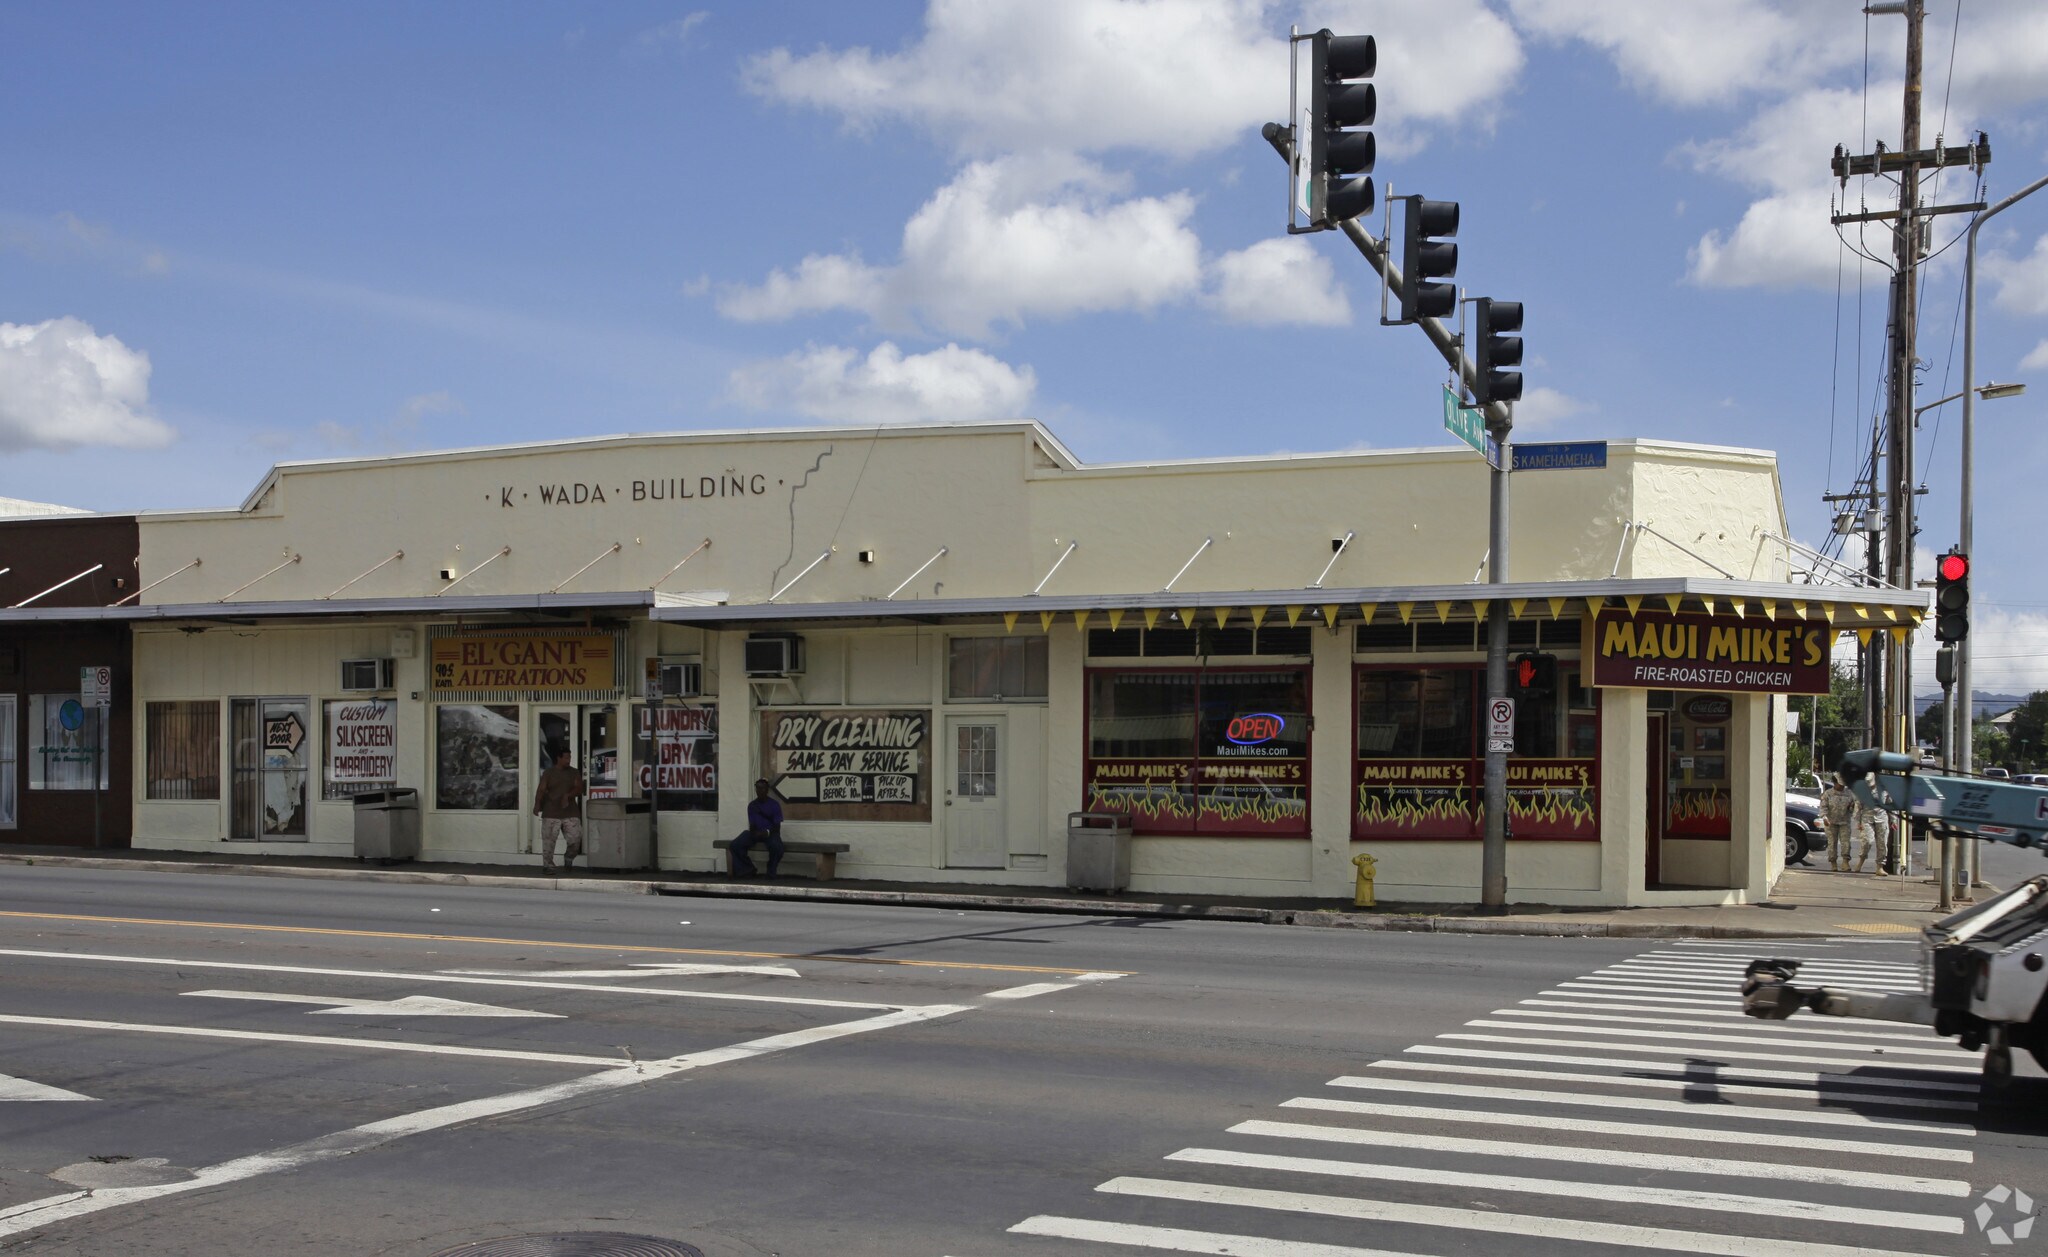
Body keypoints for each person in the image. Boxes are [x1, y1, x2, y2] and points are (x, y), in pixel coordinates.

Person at [532, 748, 586, 873]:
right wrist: (537, 804)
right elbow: (541, 789)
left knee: (575, 839)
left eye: (570, 757)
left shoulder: (574, 772)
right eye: (566, 757)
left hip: (570, 811)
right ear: (559, 758)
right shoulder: (549, 773)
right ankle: (548, 866)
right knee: (549, 841)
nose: (568, 760)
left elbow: (579, 788)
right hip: (551, 811)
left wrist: (568, 795)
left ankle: (569, 857)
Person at [730, 778, 784, 877]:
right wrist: (754, 832)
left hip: (770, 833)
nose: (760, 791)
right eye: (758, 788)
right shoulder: (752, 805)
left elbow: (777, 827)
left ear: (767, 789)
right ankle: (747, 869)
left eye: (762, 788)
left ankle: (771, 871)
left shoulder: (774, 805)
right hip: (756, 833)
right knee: (735, 845)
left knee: (777, 847)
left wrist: (765, 833)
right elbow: (752, 824)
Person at [1820, 774, 1856, 872]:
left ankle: (1845, 862)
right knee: (1832, 843)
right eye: (1840, 784)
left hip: (1845, 821)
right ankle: (1833, 863)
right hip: (1831, 822)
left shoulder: (1849, 794)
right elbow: (1823, 807)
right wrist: (1824, 817)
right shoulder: (1828, 794)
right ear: (1835, 783)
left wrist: (1852, 807)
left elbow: (1854, 807)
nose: (1841, 786)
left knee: (1846, 843)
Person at [1852, 789, 1890, 876]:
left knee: (1882, 843)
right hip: (1867, 818)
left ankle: (1880, 867)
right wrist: (1858, 822)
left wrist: (1894, 820)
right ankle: (1860, 862)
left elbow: (1891, 806)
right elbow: (1858, 806)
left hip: (1882, 818)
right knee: (1867, 841)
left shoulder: (1885, 790)